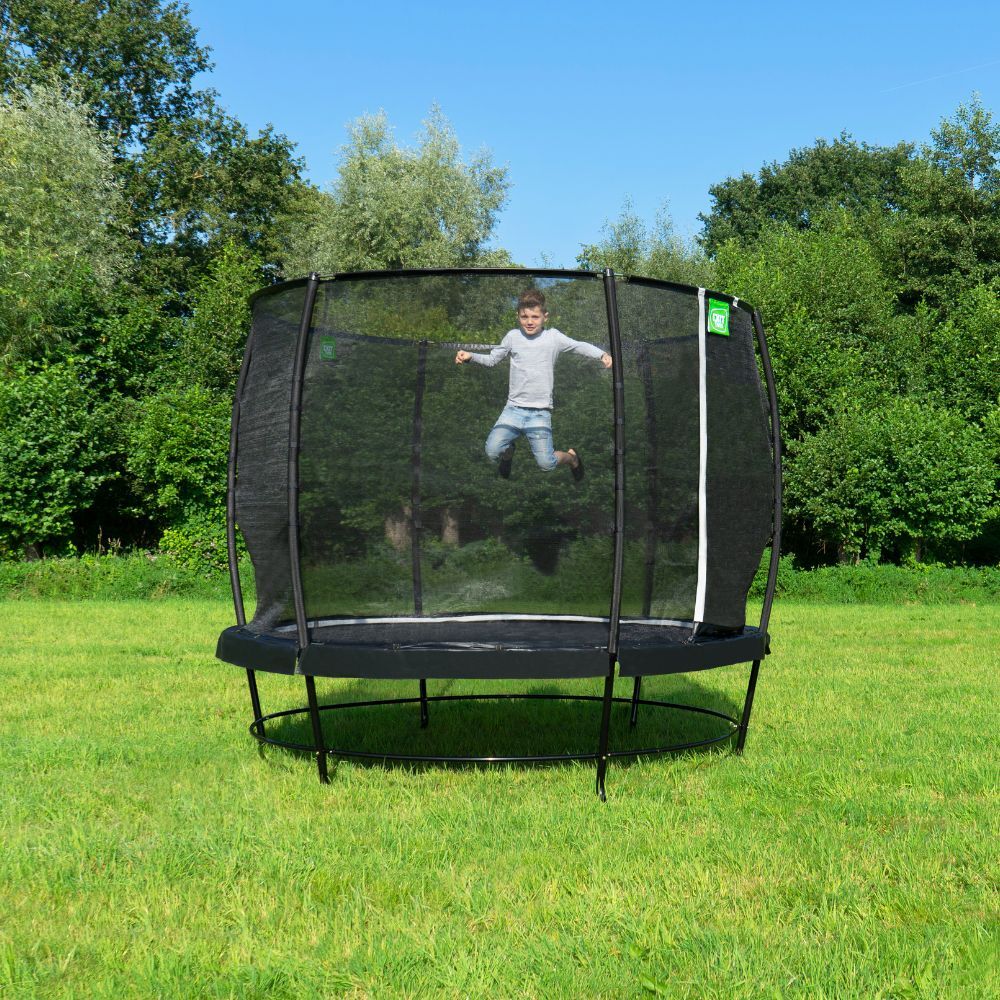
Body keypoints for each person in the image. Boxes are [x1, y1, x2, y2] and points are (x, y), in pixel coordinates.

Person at [455, 289, 612, 480]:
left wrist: (601, 354)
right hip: (513, 410)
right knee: (492, 451)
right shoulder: (512, 337)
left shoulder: (553, 337)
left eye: (535, 317)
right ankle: (508, 453)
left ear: (545, 317)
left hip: (539, 413)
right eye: (525, 317)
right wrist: (471, 356)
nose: (529, 322)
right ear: (518, 316)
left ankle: (572, 458)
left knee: (546, 464)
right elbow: (492, 360)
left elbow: (579, 345)